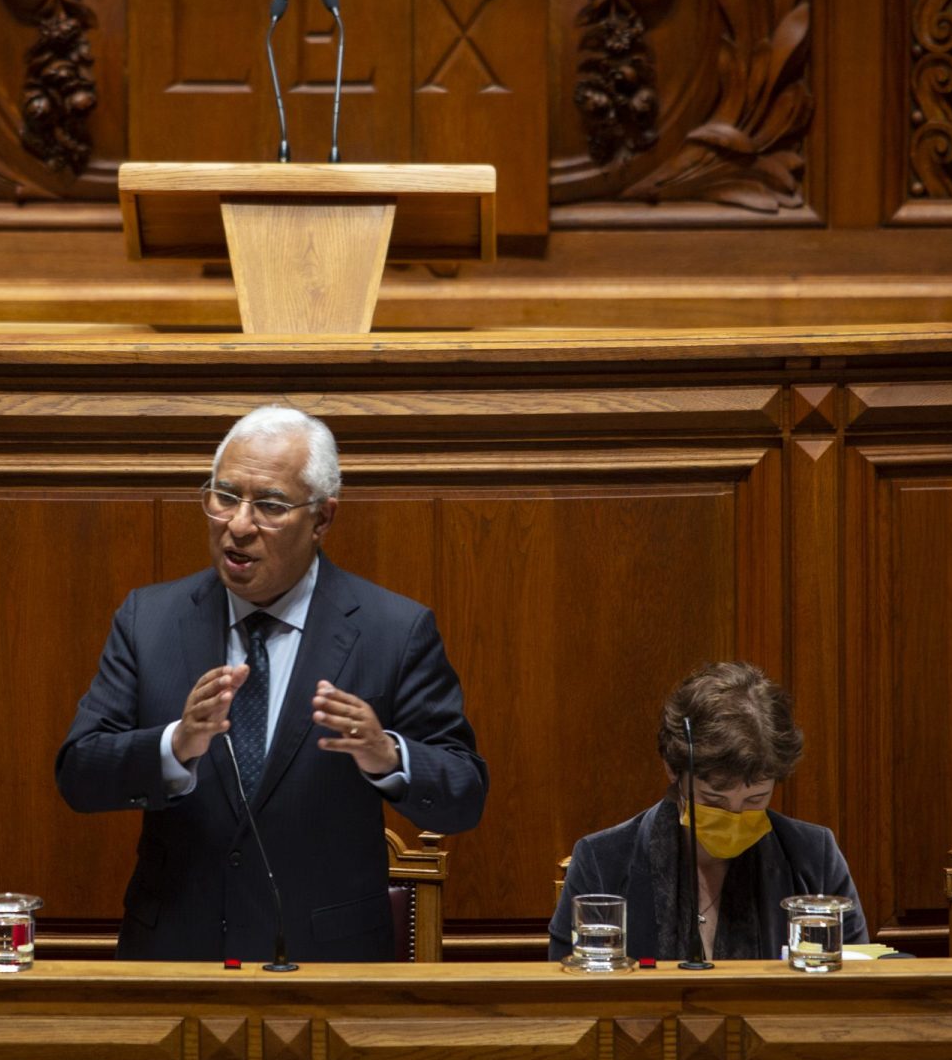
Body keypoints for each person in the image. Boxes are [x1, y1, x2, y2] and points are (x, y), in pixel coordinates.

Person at [56, 405, 487, 962]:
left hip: (329, 969)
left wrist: (385, 755)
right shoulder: (150, 620)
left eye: (271, 506)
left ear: (323, 519)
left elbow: (464, 797)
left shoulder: (393, 631)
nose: (238, 524)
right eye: (225, 495)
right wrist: (176, 745)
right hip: (175, 960)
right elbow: (79, 775)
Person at [550, 661, 866, 961]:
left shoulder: (813, 856)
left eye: (755, 800)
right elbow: (568, 997)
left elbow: (859, 986)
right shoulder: (602, 861)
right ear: (673, 771)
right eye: (714, 801)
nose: (735, 816)